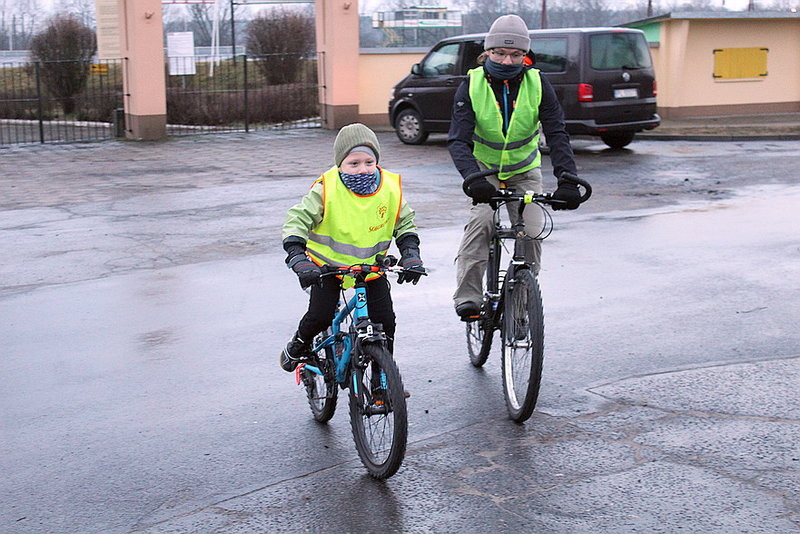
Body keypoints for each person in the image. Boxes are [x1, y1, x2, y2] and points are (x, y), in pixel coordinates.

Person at [448, 14, 585, 320]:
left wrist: (567, 179)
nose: (507, 61)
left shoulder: (538, 83)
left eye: (515, 54)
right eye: (499, 53)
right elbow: (458, 140)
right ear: (488, 52)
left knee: (532, 230)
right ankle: (468, 297)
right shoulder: (471, 85)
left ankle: (523, 299)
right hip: (484, 170)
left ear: (525, 55)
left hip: (524, 168)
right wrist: (473, 178)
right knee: (482, 220)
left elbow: (557, 132)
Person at [279, 123, 425, 371]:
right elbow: (297, 220)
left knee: (386, 321)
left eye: (369, 162)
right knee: (321, 316)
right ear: (340, 164)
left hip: (371, 269)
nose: (363, 170)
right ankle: (297, 345)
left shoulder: (390, 187)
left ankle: (384, 379)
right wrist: (297, 256)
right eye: (353, 163)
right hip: (327, 268)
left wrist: (411, 254)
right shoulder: (326, 188)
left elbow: (406, 224)